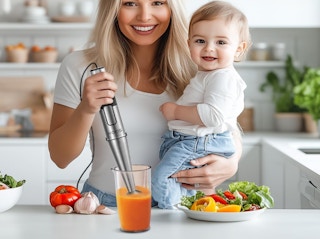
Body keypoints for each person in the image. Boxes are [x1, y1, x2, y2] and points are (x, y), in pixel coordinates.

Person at [48, 0, 243, 208]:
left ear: (171, 8)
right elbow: (61, 157)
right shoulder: (81, 66)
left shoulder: (200, 62)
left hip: (185, 206)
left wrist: (231, 164)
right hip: (108, 205)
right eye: (130, 3)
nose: (144, 16)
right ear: (112, 9)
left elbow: (228, 129)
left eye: (157, 2)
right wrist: (87, 108)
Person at [152, 1, 251, 209]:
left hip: (196, 141)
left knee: (161, 179)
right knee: (181, 183)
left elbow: (214, 116)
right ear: (188, 44)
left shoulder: (222, 78)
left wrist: (176, 111)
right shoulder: (209, 75)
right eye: (200, 41)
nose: (209, 48)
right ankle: (185, 210)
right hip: (190, 140)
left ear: (239, 49)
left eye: (221, 42)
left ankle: (170, 216)